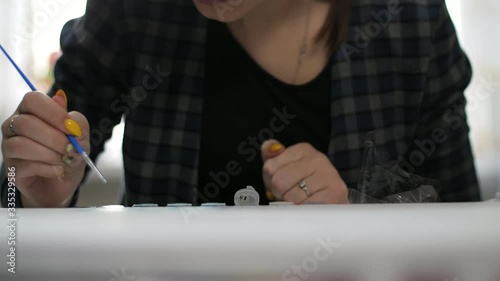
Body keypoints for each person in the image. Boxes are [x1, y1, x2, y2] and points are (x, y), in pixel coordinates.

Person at [0, 0, 481, 208]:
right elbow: (17, 236)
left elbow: (466, 233)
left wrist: (356, 215)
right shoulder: (133, 10)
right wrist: (40, 195)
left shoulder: (409, 19)